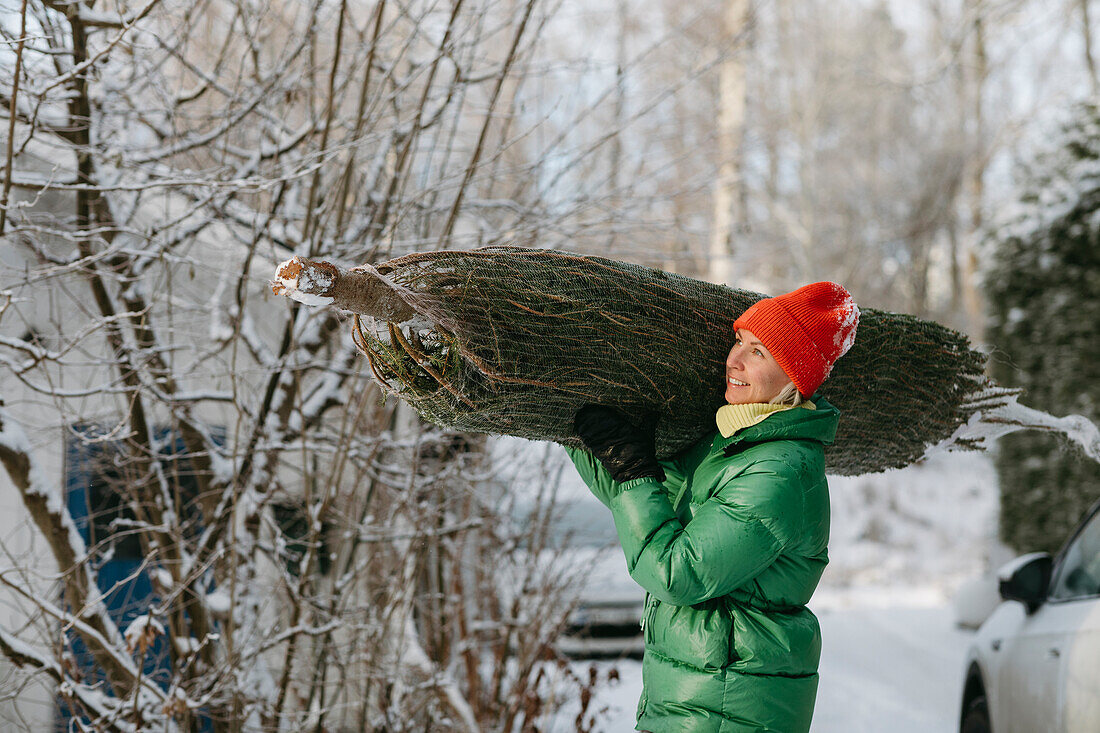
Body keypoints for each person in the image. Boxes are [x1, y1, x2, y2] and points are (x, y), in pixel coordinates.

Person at [565, 281, 859, 733]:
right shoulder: (732, 447)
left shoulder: (779, 474)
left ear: (795, 376)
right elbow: (644, 499)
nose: (734, 360)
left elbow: (677, 572)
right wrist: (574, 430)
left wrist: (632, 469)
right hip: (700, 699)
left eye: (758, 352)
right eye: (739, 341)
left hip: (728, 708)